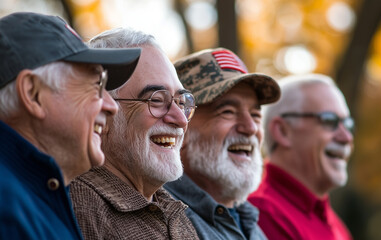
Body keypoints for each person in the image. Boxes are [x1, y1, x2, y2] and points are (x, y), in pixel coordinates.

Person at [0, 12, 140, 239]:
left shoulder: (37, 197)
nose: (111, 106)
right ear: (33, 94)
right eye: (97, 84)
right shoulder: (8, 211)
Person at [69, 28, 199, 239]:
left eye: (182, 102)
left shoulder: (172, 210)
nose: (181, 120)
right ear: (103, 111)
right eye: (156, 100)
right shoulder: (79, 210)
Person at [164, 48, 281, 240]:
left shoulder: (248, 220)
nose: (250, 128)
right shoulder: (162, 222)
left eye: (256, 115)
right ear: (179, 127)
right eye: (227, 111)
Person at [248, 73, 354, 240]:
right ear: (282, 131)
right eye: (329, 120)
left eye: (348, 124)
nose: (347, 137)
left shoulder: (332, 221)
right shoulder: (263, 214)